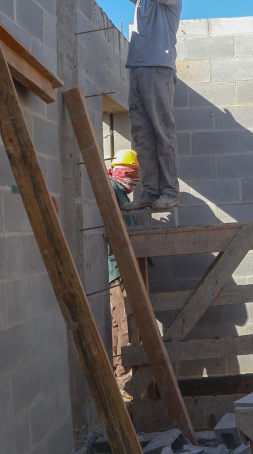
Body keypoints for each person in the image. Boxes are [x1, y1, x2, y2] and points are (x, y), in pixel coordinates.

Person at [100, 0, 182, 211]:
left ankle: (169, 191)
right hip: (136, 68)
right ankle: (149, 192)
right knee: (142, 135)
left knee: (161, 131)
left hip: (159, 68)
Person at [107, 149, 140, 395]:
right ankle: (124, 378)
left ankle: (121, 373)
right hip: (119, 270)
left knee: (121, 324)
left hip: (121, 269)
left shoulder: (121, 195)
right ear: (117, 172)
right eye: (130, 173)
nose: (133, 179)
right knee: (124, 323)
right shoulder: (113, 192)